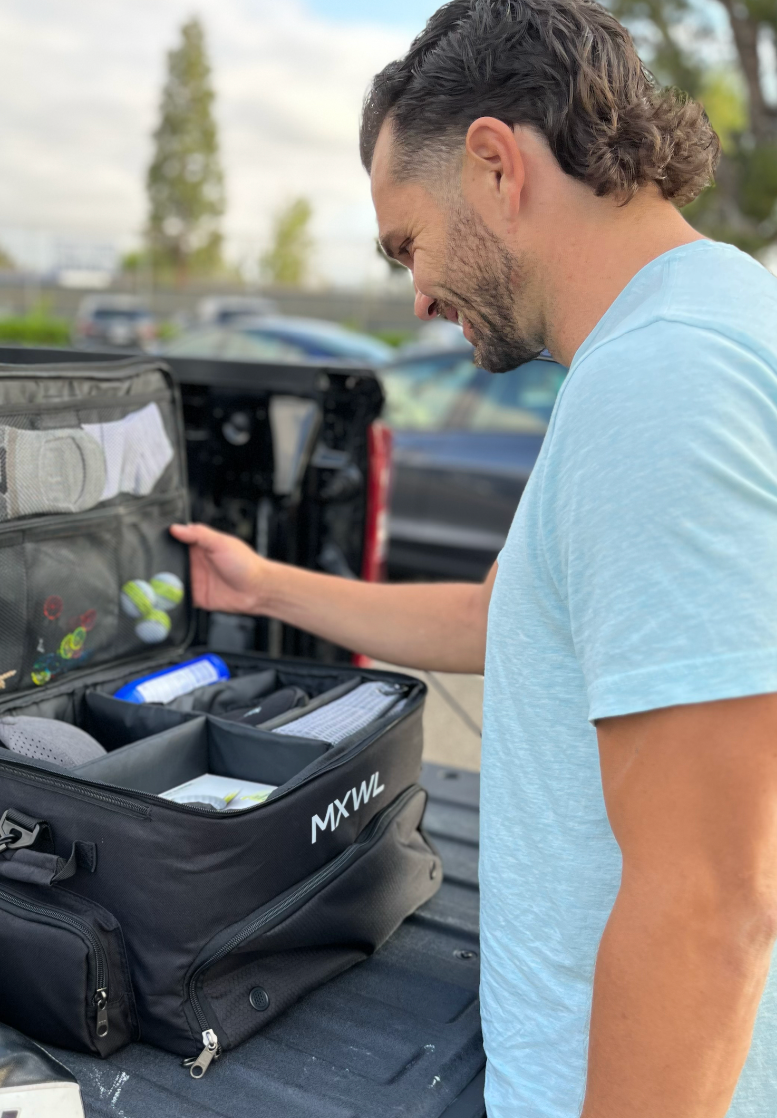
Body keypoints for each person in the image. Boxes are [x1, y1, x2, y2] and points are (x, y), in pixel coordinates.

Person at [172, 1, 777, 1115]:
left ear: (497, 165)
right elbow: (505, 615)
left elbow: (711, 897)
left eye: (408, 241)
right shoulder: (698, 316)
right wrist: (260, 584)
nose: (414, 292)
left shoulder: (659, 384)